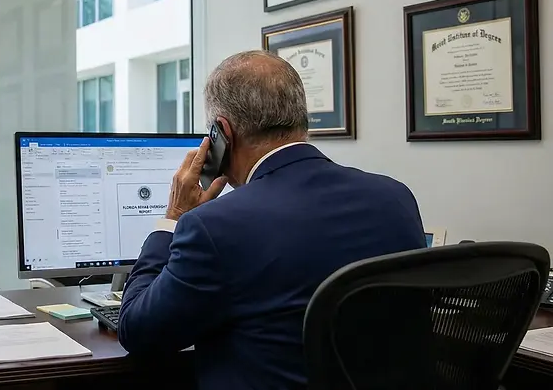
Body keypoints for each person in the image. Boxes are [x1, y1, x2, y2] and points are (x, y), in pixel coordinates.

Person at [118, 50, 425, 390]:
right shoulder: (396, 198)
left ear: (222, 132)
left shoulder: (214, 225)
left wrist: (173, 218)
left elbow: (137, 330)